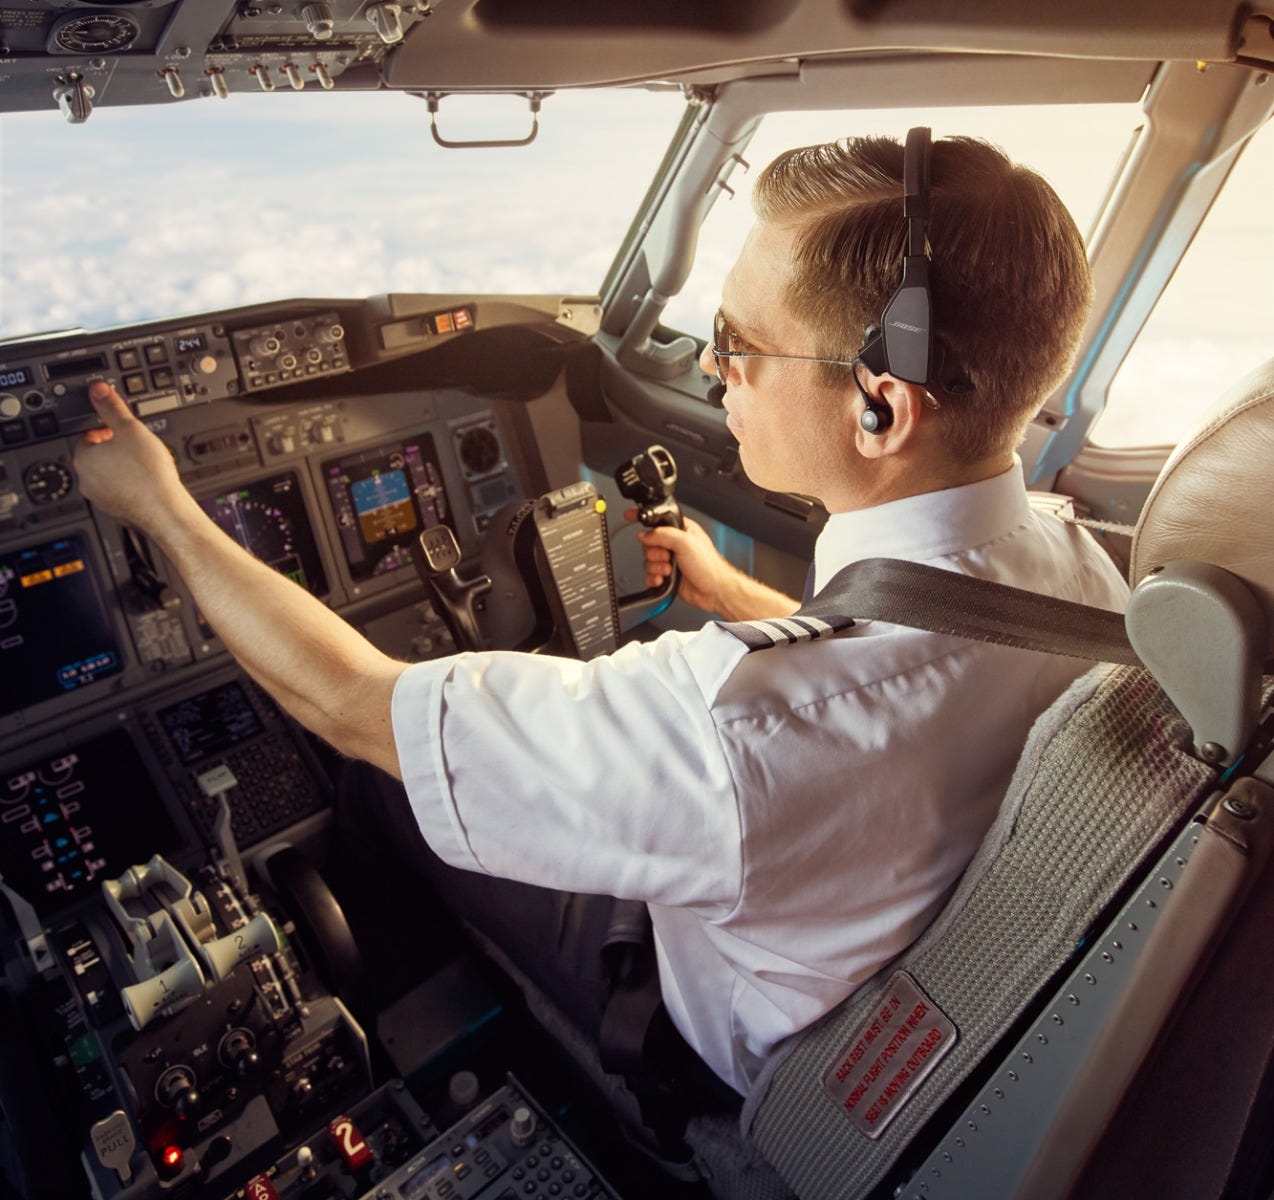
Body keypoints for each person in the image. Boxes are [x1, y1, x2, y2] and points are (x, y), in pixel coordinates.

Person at [73, 133, 1128, 1099]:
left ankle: (401, 1020)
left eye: (737, 344)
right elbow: (898, 665)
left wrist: (162, 508)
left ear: (880, 407)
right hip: (898, 981)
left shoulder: (733, 725)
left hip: (718, 1047)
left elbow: (349, 700)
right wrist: (733, 597)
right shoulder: (1082, 578)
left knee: (379, 779)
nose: (710, 369)